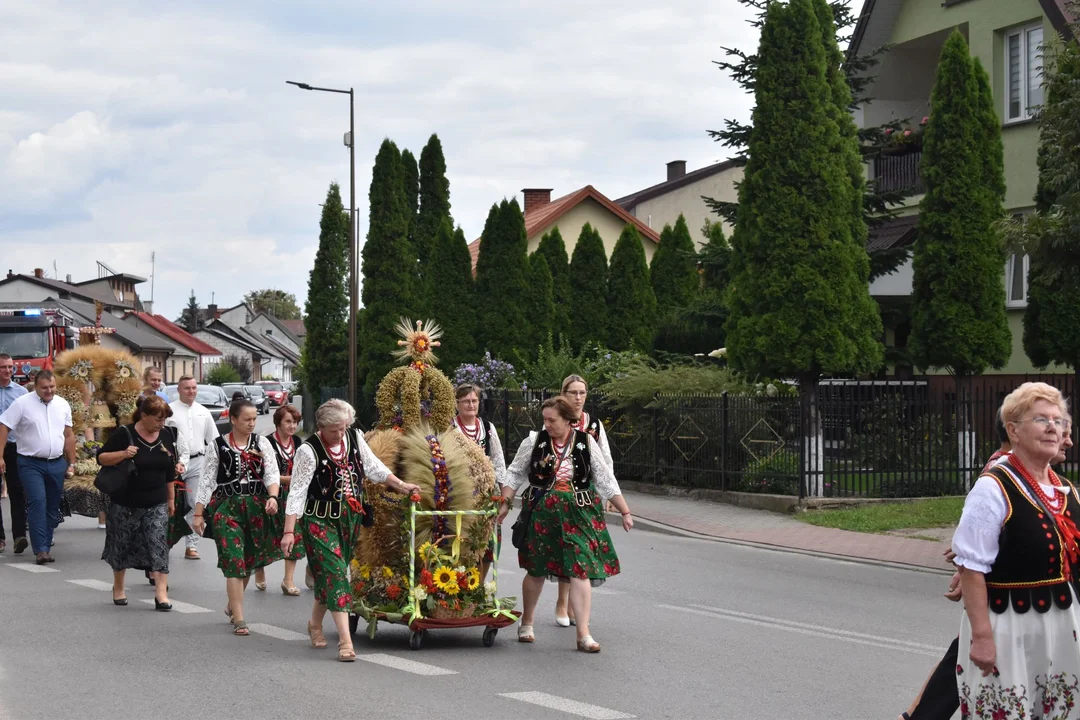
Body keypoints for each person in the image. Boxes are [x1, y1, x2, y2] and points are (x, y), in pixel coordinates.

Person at [951, 382, 1080, 716]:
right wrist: (982, 637)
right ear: (1014, 430)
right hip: (1007, 626)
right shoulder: (993, 487)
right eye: (1041, 419)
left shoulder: (1066, 489)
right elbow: (972, 567)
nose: (1054, 427)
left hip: (1063, 625)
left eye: (1058, 420)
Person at [281, 399, 420, 662]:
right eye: (334, 430)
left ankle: (314, 624)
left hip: (349, 519)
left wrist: (402, 485)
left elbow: (373, 468)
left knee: (329, 576)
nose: (340, 434)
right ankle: (345, 641)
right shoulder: (309, 451)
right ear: (321, 427)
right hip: (319, 521)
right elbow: (297, 493)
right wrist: (289, 532)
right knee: (336, 574)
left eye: (343, 428)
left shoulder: (354, 437)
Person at [498, 396, 633, 653]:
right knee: (536, 568)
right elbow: (514, 472)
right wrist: (505, 501)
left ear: (568, 419)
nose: (547, 424)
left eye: (552, 420)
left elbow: (605, 478)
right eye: (545, 419)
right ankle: (527, 623)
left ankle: (583, 634)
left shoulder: (585, 442)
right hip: (542, 512)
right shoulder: (534, 441)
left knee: (580, 568)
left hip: (579, 513)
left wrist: (625, 510)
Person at [191, 400, 282, 637]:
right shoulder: (218, 445)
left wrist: (273, 497)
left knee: (248, 560)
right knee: (234, 560)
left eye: (254, 419)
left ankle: (233, 603)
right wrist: (198, 514)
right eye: (247, 419)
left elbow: (272, 472)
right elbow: (207, 481)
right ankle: (239, 617)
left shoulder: (262, 443)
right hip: (227, 508)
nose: (252, 423)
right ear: (233, 419)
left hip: (256, 507)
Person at [96, 396, 177, 610]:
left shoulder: (166, 435)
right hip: (125, 501)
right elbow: (101, 458)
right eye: (158, 419)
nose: (161, 424)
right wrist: (124, 454)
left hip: (157, 501)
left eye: (164, 419)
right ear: (144, 415)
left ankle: (161, 594)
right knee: (121, 545)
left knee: (159, 544)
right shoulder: (125, 433)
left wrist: (171, 499)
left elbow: (170, 469)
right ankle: (119, 587)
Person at [555, 374, 614, 627]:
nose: (578, 398)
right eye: (573, 393)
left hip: (586, 493)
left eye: (582, 393)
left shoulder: (594, 425)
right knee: (565, 547)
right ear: (563, 394)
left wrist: (609, 494)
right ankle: (561, 602)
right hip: (561, 492)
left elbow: (606, 461)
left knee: (583, 548)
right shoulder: (556, 420)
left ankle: (573, 607)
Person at [0, 370, 75, 564]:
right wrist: (0, 456)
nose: (49, 391)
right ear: (36, 387)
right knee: (37, 502)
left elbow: (68, 435)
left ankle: (45, 542)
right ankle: (41, 549)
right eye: (44, 388)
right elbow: (4, 426)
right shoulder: (23, 403)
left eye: (52, 387)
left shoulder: (62, 404)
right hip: (30, 462)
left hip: (57, 462)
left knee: (52, 506)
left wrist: (72, 462)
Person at [452, 384, 506, 581]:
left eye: (474, 401)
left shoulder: (488, 428)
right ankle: (460, 585)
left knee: (487, 542)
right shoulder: (450, 428)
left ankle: (479, 587)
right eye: (466, 401)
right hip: (460, 491)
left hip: (485, 491)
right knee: (461, 538)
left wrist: (502, 493)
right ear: (457, 404)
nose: (471, 404)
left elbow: (498, 461)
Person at [256, 405, 304, 596]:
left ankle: (288, 580)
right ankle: (259, 569)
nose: (292, 426)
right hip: (270, 495)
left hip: (293, 496)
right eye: (288, 422)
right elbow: (262, 473)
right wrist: (286, 480)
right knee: (264, 534)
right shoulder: (266, 443)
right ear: (278, 423)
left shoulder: (298, 442)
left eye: (295, 422)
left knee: (294, 534)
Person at [168, 376, 218, 560]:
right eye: (187, 388)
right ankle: (166, 541)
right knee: (170, 503)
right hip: (174, 464)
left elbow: (213, 440)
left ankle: (192, 545)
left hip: (198, 461)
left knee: (195, 502)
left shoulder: (203, 412)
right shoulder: (170, 412)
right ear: (179, 390)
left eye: (194, 388)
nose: (191, 391)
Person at [0, 354, 29, 554]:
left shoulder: (21, 393)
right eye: (3, 367)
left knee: (17, 491)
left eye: (10, 367)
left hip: (14, 447)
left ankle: (19, 535)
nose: (8, 371)